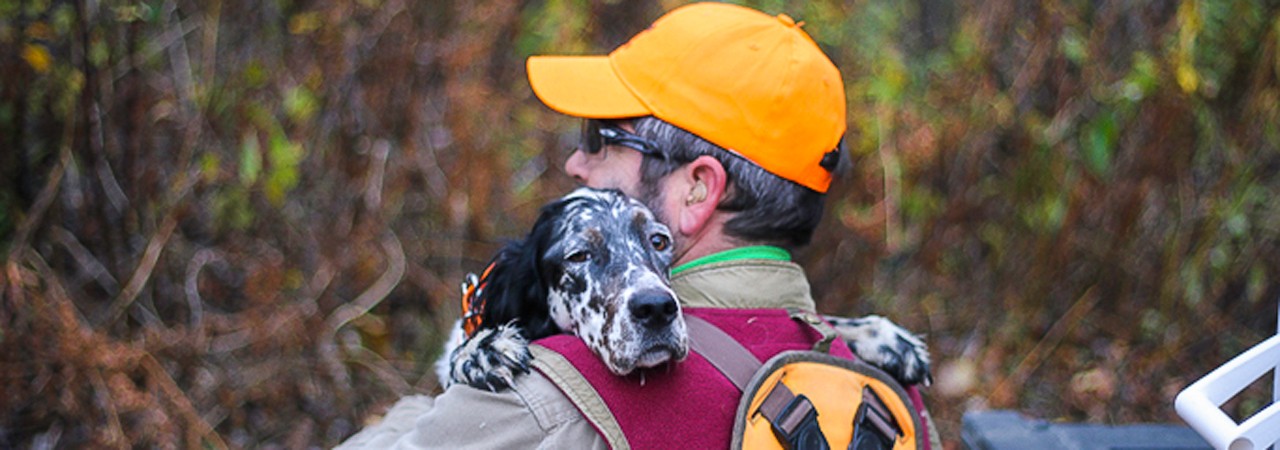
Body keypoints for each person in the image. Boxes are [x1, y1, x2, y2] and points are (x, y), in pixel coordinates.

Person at [338, 2, 939, 448]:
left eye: (601, 138)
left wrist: (434, 408)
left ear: (698, 188)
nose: (578, 161)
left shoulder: (549, 399)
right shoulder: (895, 395)